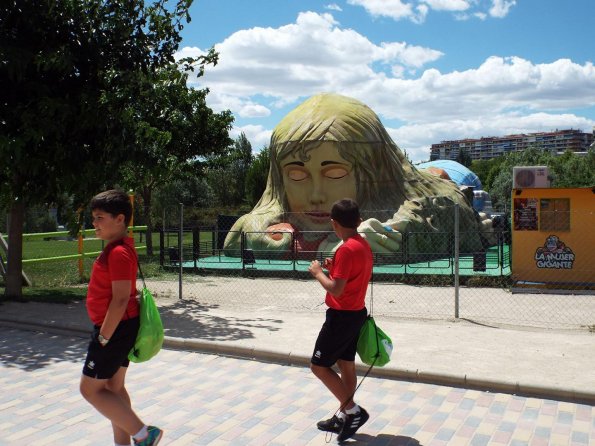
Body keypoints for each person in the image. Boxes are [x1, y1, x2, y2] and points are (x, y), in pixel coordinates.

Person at [224, 93, 491, 258]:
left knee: (443, 178)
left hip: (450, 179)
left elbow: (424, 213)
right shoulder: (281, 209)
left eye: (335, 174)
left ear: (370, 170)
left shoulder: (419, 200)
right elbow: (240, 231)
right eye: (297, 175)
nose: (316, 195)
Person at [79, 189, 163, 446]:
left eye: (100, 217)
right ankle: (124, 443)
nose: (94, 223)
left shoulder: (118, 252)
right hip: (122, 327)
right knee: (114, 389)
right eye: (93, 217)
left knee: (89, 389)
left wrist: (103, 336)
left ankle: (143, 434)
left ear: (120, 219)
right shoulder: (120, 248)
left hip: (114, 330)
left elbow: (120, 299)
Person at [308, 198, 373, 442]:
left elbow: (335, 289)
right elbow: (349, 277)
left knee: (319, 366)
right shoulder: (361, 244)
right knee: (346, 364)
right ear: (358, 221)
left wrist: (318, 273)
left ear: (334, 223)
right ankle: (347, 414)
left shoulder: (345, 248)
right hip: (356, 313)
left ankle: (352, 411)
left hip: (341, 316)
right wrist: (333, 268)